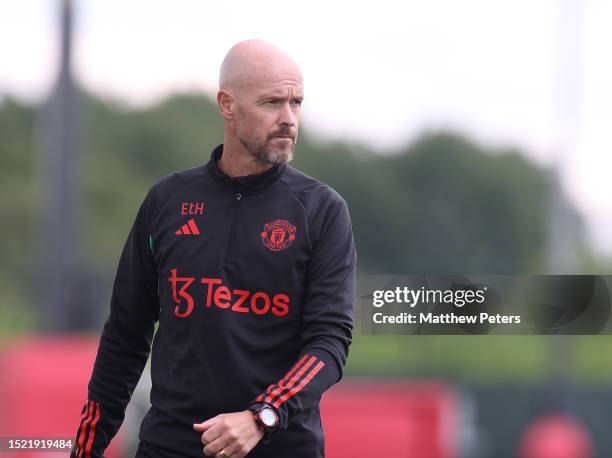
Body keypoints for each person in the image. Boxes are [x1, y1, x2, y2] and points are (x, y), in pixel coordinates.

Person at [71, 39, 356, 458]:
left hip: (280, 446)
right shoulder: (166, 201)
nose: (288, 118)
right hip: (170, 446)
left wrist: (263, 416)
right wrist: (85, 448)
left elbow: (329, 342)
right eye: (272, 102)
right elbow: (125, 337)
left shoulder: (322, 210)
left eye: (296, 102)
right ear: (227, 105)